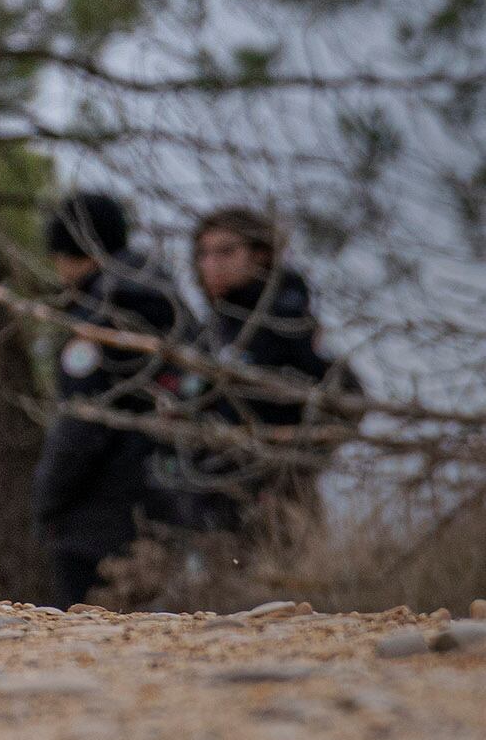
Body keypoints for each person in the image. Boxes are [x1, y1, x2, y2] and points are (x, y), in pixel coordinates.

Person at [32, 189, 190, 607]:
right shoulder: (175, 310)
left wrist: (47, 499)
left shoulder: (98, 321)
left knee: (90, 648)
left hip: (95, 525)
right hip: (174, 506)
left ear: (71, 252)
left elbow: (81, 425)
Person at [187, 205, 358, 543]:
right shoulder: (216, 327)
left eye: (225, 251)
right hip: (216, 500)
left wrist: (291, 465)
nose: (211, 264)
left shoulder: (287, 320)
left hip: (277, 505)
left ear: (260, 255)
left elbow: (347, 399)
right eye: (203, 254)